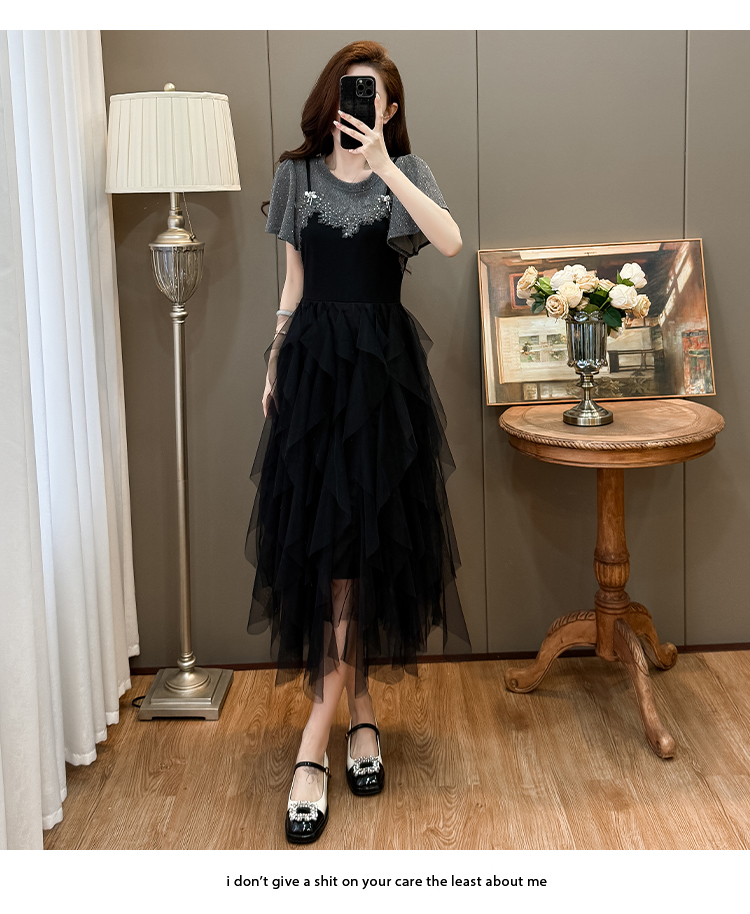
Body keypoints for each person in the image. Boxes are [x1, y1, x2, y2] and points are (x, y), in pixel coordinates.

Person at [245, 40, 471, 844]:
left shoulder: (406, 173)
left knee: (365, 548)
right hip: (315, 375)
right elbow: (293, 283)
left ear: (390, 108)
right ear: (329, 94)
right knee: (333, 552)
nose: (360, 102)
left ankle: (318, 737)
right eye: (350, 90)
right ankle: (358, 711)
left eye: (373, 94)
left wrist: (384, 163)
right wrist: (275, 358)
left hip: (380, 379)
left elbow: (449, 240)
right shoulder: (295, 177)